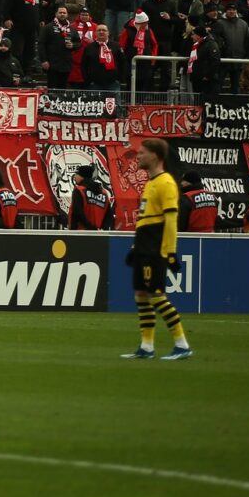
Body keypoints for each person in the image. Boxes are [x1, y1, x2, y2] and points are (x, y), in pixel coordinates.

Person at [122, 138, 191, 360]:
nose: (138, 156)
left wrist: (170, 252)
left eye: (142, 153)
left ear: (155, 156)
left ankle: (182, 344)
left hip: (155, 248)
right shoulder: (150, 184)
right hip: (144, 246)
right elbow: (144, 219)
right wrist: (135, 246)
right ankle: (147, 347)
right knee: (141, 294)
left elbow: (171, 220)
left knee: (156, 294)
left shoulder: (166, 183)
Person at [68, 165, 114, 230]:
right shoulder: (104, 192)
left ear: (82, 176)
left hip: (79, 233)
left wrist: (89, 227)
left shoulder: (79, 190)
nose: (74, 177)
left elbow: (77, 211)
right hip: (98, 234)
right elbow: (109, 214)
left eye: (76, 174)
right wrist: (103, 229)